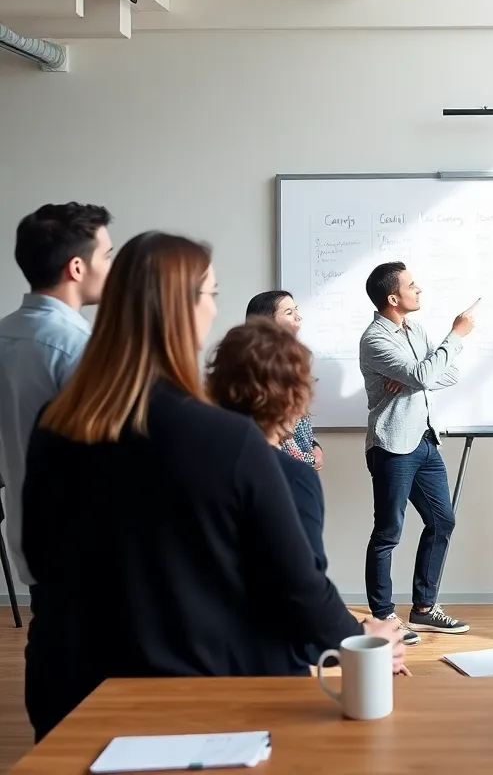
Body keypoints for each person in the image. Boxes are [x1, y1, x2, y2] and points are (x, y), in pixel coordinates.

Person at [21, 232, 404, 741]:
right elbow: (297, 584)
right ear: (184, 310)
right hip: (182, 704)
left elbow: (38, 555)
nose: (214, 310)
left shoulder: (57, 420)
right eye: (211, 294)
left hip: (67, 690)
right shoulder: (223, 438)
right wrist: (361, 638)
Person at [207, 318, 339, 668]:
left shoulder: (192, 460)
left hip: (195, 657)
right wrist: (361, 641)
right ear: (294, 396)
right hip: (265, 666)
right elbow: (303, 593)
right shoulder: (291, 477)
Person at [359, 261, 477, 644]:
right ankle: (383, 616)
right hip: (392, 444)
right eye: (412, 285)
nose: (419, 289)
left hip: (425, 440)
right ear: (393, 298)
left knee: (443, 521)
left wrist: (412, 376)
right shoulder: (375, 339)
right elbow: (426, 375)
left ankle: (424, 610)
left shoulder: (417, 330)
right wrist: (453, 338)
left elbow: (447, 373)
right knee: (388, 531)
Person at [0, 202, 113, 589]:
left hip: (28, 540)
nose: (111, 267)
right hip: (86, 548)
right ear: (77, 268)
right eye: (107, 255)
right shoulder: (82, 348)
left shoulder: (4, 336)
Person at [245, 290, 324, 471]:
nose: (298, 317)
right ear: (267, 321)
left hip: (298, 465)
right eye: (289, 313)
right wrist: (308, 459)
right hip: (276, 468)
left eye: (296, 310)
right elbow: (275, 428)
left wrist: (314, 446)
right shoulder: (260, 365)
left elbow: (299, 421)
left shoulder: (292, 359)